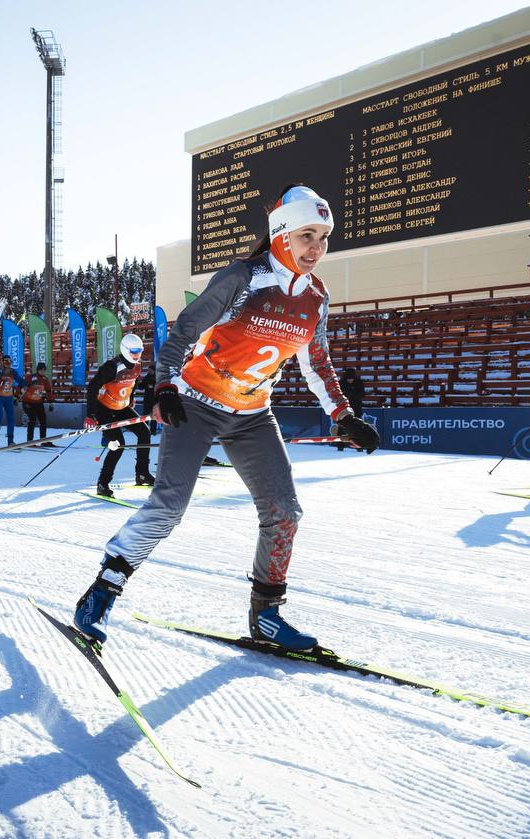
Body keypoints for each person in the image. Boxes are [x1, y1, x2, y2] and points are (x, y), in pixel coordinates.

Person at [72, 183, 380, 652]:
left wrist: (344, 415)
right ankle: (101, 592)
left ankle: (267, 616)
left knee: (284, 512)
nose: (316, 248)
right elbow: (184, 330)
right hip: (196, 404)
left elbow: (317, 362)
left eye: (322, 237)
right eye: (306, 236)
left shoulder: (317, 297)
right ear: (281, 234)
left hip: (253, 415)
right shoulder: (243, 277)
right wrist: (164, 386)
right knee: (169, 507)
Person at [87, 334, 154, 496]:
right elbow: (92, 387)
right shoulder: (112, 366)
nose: (138, 354)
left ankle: (142, 473)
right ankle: (102, 484)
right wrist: (91, 414)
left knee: (144, 432)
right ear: (125, 350)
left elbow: (135, 381)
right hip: (105, 410)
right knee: (118, 445)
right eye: (134, 351)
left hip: (122, 408)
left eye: (140, 351)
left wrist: (130, 399)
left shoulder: (138, 365)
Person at [0, 355, 25, 448]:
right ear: (2, 362)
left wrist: (26, 385)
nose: (8, 364)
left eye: (10, 362)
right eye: (6, 362)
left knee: (11, 419)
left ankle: (10, 441)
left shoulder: (12, 371)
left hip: (9, 398)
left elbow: (20, 380)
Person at [22, 362, 55, 444]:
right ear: (38, 370)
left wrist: (51, 403)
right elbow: (21, 386)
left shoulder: (45, 379)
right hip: (28, 402)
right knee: (32, 420)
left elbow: (48, 391)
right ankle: (30, 441)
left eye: (44, 370)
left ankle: (43, 440)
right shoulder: (31, 377)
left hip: (38, 402)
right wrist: (16, 396)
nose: (43, 371)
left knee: (43, 421)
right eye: (42, 370)